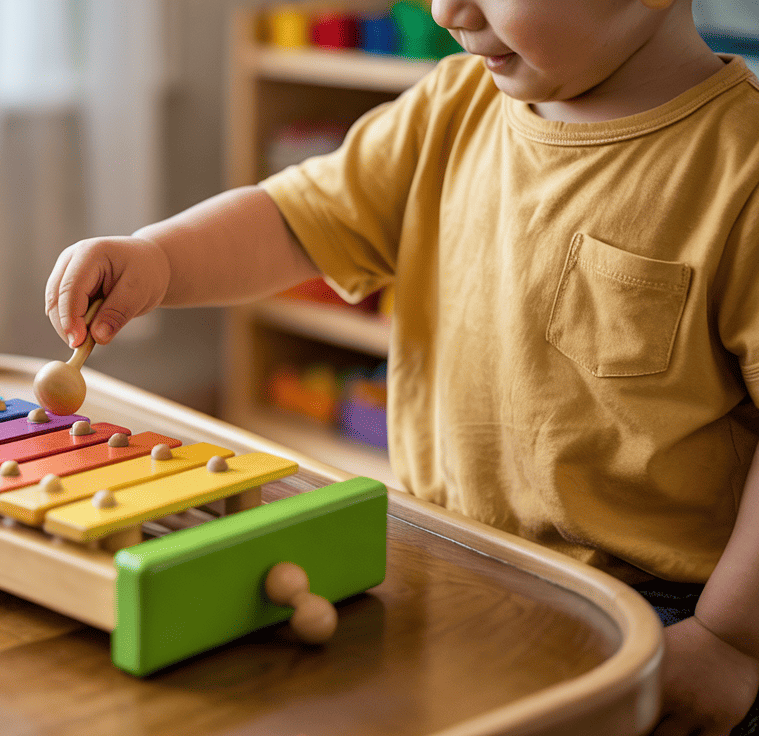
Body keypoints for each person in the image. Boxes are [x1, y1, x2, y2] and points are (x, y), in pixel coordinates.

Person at [43, 0, 759, 733]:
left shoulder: (744, 167)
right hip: (447, 551)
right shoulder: (450, 107)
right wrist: (160, 258)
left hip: (656, 613)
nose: (447, 8)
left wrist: (732, 641)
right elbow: (294, 221)